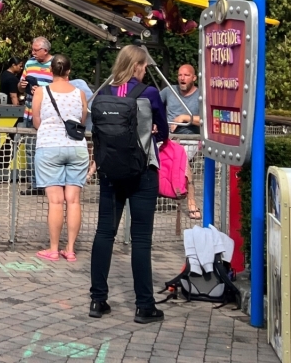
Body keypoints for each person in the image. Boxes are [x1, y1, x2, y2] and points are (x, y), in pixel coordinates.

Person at [89, 44, 168, 324]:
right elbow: (164, 131)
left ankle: (98, 300)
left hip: (110, 172)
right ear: (136, 66)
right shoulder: (148, 94)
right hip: (142, 171)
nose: (146, 70)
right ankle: (144, 305)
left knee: (104, 234)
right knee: (141, 239)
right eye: (144, 65)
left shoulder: (103, 94)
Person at [32, 54, 89, 262]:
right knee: (73, 200)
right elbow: (82, 119)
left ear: (50, 71)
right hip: (77, 147)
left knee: (56, 202)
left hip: (49, 146)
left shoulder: (41, 91)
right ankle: (71, 249)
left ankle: (54, 249)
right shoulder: (80, 93)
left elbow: (36, 120)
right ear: (68, 71)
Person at [159, 64, 202, 219]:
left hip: (188, 140)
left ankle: (191, 202)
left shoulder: (200, 95)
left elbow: (208, 119)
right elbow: (153, 106)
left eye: (186, 75)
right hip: (168, 139)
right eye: (180, 75)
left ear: (194, 78)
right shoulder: (169, 91)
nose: (182, 78)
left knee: (182, 160)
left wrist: (185, 118)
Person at [19, 37, 54, 195]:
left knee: (49, 150)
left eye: (35, 50)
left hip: (48, 115)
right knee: (30, 150)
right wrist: (22, 86)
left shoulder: (56, 64)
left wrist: (41, 91)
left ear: (45, 51)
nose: (32, 53)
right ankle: (35, 184)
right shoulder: (29, 63)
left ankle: (50, 184)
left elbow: (62, 87)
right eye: (32, 50)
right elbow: (20, 86)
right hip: (29, 113)